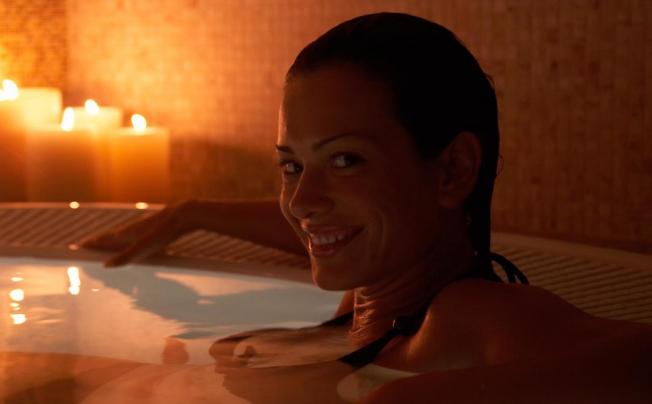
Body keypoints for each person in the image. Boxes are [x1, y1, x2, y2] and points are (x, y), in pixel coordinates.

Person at [80, 12, 651, 403]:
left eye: (346, 160)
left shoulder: (468, 314)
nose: (302, 201)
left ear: (452, 171)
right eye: (291, 166)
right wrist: (191, 213)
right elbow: (335, 220)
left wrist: (410, 400)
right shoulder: (371, 295)